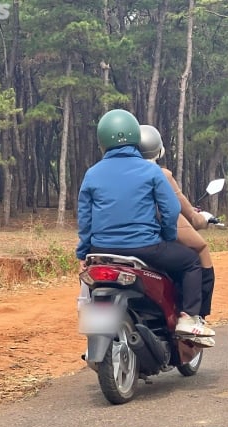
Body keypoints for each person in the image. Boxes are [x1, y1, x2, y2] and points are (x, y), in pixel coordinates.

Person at [76, 109, 214, 342]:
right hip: (145, 247)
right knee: (191, 262)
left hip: (102, 249)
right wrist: (168, 236)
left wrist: (84, 250)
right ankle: (189, 317)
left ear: (102, 140)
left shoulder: (92, 173)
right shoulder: (151, 171)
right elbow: (170, 210)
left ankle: (89, 312)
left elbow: (85, 218)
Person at [138, 124, 217, 320]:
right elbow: (178, 209)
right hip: (150, 235)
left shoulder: (116, 172)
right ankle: (194, 316)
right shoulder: (161, 174)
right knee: (199, 251)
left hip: (111, 239)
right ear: (158, 150)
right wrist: (199, 219)